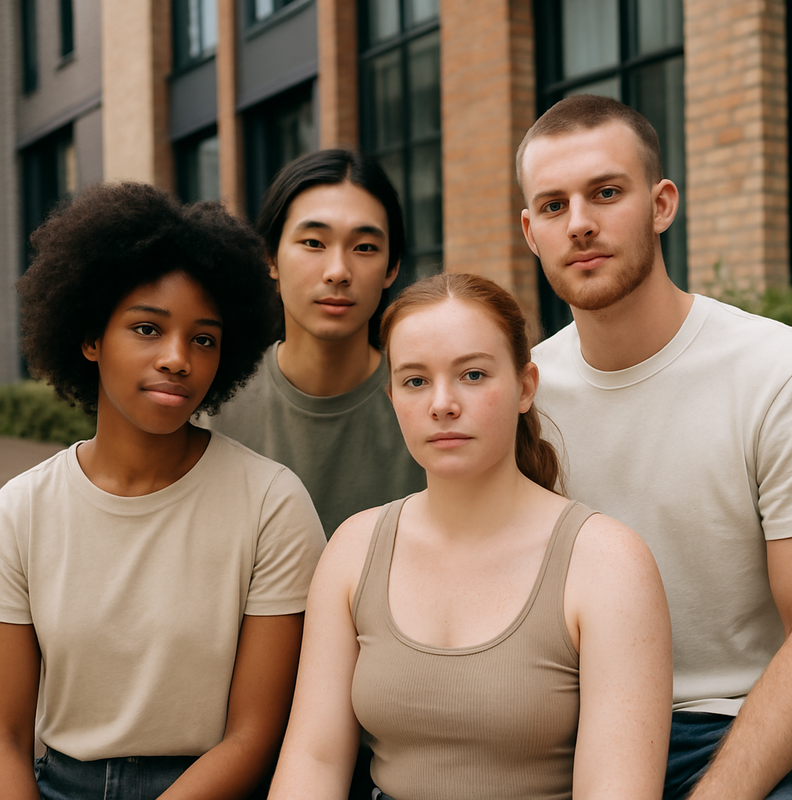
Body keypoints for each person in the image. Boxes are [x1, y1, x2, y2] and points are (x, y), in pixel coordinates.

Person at [267, 272, 672, 800]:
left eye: (473, 375)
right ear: (391, 398)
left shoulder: (608, 562)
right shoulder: (354, 548)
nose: (442, 403)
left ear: (526, 386)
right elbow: (313, 762)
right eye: (415, 381)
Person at [0, 182, 326, 800]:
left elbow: (253, 737)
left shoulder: (270, 503)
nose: (178, 358)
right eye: (148, 329)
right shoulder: (20, 511)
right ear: (90, 338)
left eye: (203, 338)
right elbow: (6, 738)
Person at [517, 94, 792, 800]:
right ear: (530, 231)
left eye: (606, 193)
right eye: (553, 207)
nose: (579, 224)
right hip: (575, 739)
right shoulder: (523, 396)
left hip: (741, 726)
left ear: (661, 203)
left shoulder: (775, 371)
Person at [207, 149, 426, 540]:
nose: (338, 271)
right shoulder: (211, 401)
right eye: (313, 242)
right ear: (269, 257)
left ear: (392, 267)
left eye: (364, 248)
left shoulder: (431, 404)